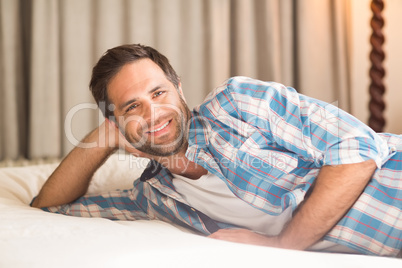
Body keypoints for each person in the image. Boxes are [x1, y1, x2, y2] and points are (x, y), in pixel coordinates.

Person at [30, 44, 401, 257]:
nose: (153, 112)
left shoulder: (236, 104)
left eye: (159, 93)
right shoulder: (153, 198)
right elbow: (48, 207)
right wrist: (104, 138)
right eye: (132, 107)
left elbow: (358, 146)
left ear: (179, 88)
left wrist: (284, 243)